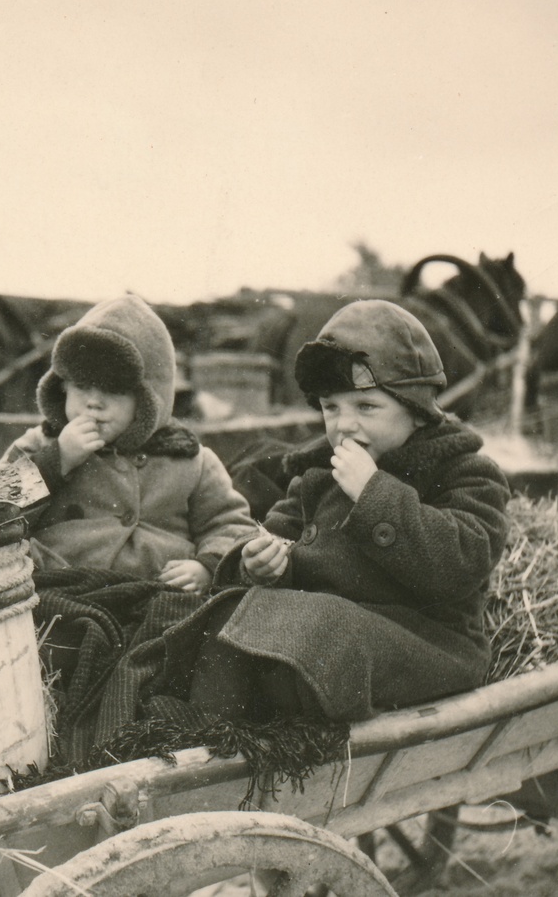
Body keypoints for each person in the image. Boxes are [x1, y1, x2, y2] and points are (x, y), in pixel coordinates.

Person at [187, 299, 511, 724]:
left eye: (367, 408)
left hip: (429, 641)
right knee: (226, 614)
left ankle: (267, 722)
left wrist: (373, 492)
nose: (344, 425)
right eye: (331, 408)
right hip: (329, 630)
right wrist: (263, 562)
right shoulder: (321, 469)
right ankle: (208, 733)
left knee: (327, 628)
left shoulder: (464, 471)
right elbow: (280, 529)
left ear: (416, 410)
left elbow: (462, 560)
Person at [2, 293, 257, 593]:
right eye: (82, 386)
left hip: (158, 588)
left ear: (148, 401)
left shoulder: (189, 459)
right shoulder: (41, 444)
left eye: (114, 390)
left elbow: (229, 523)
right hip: (63, 583)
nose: (93, 403)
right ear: (62, 387)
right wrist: (56, 460)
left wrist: (208, 565)